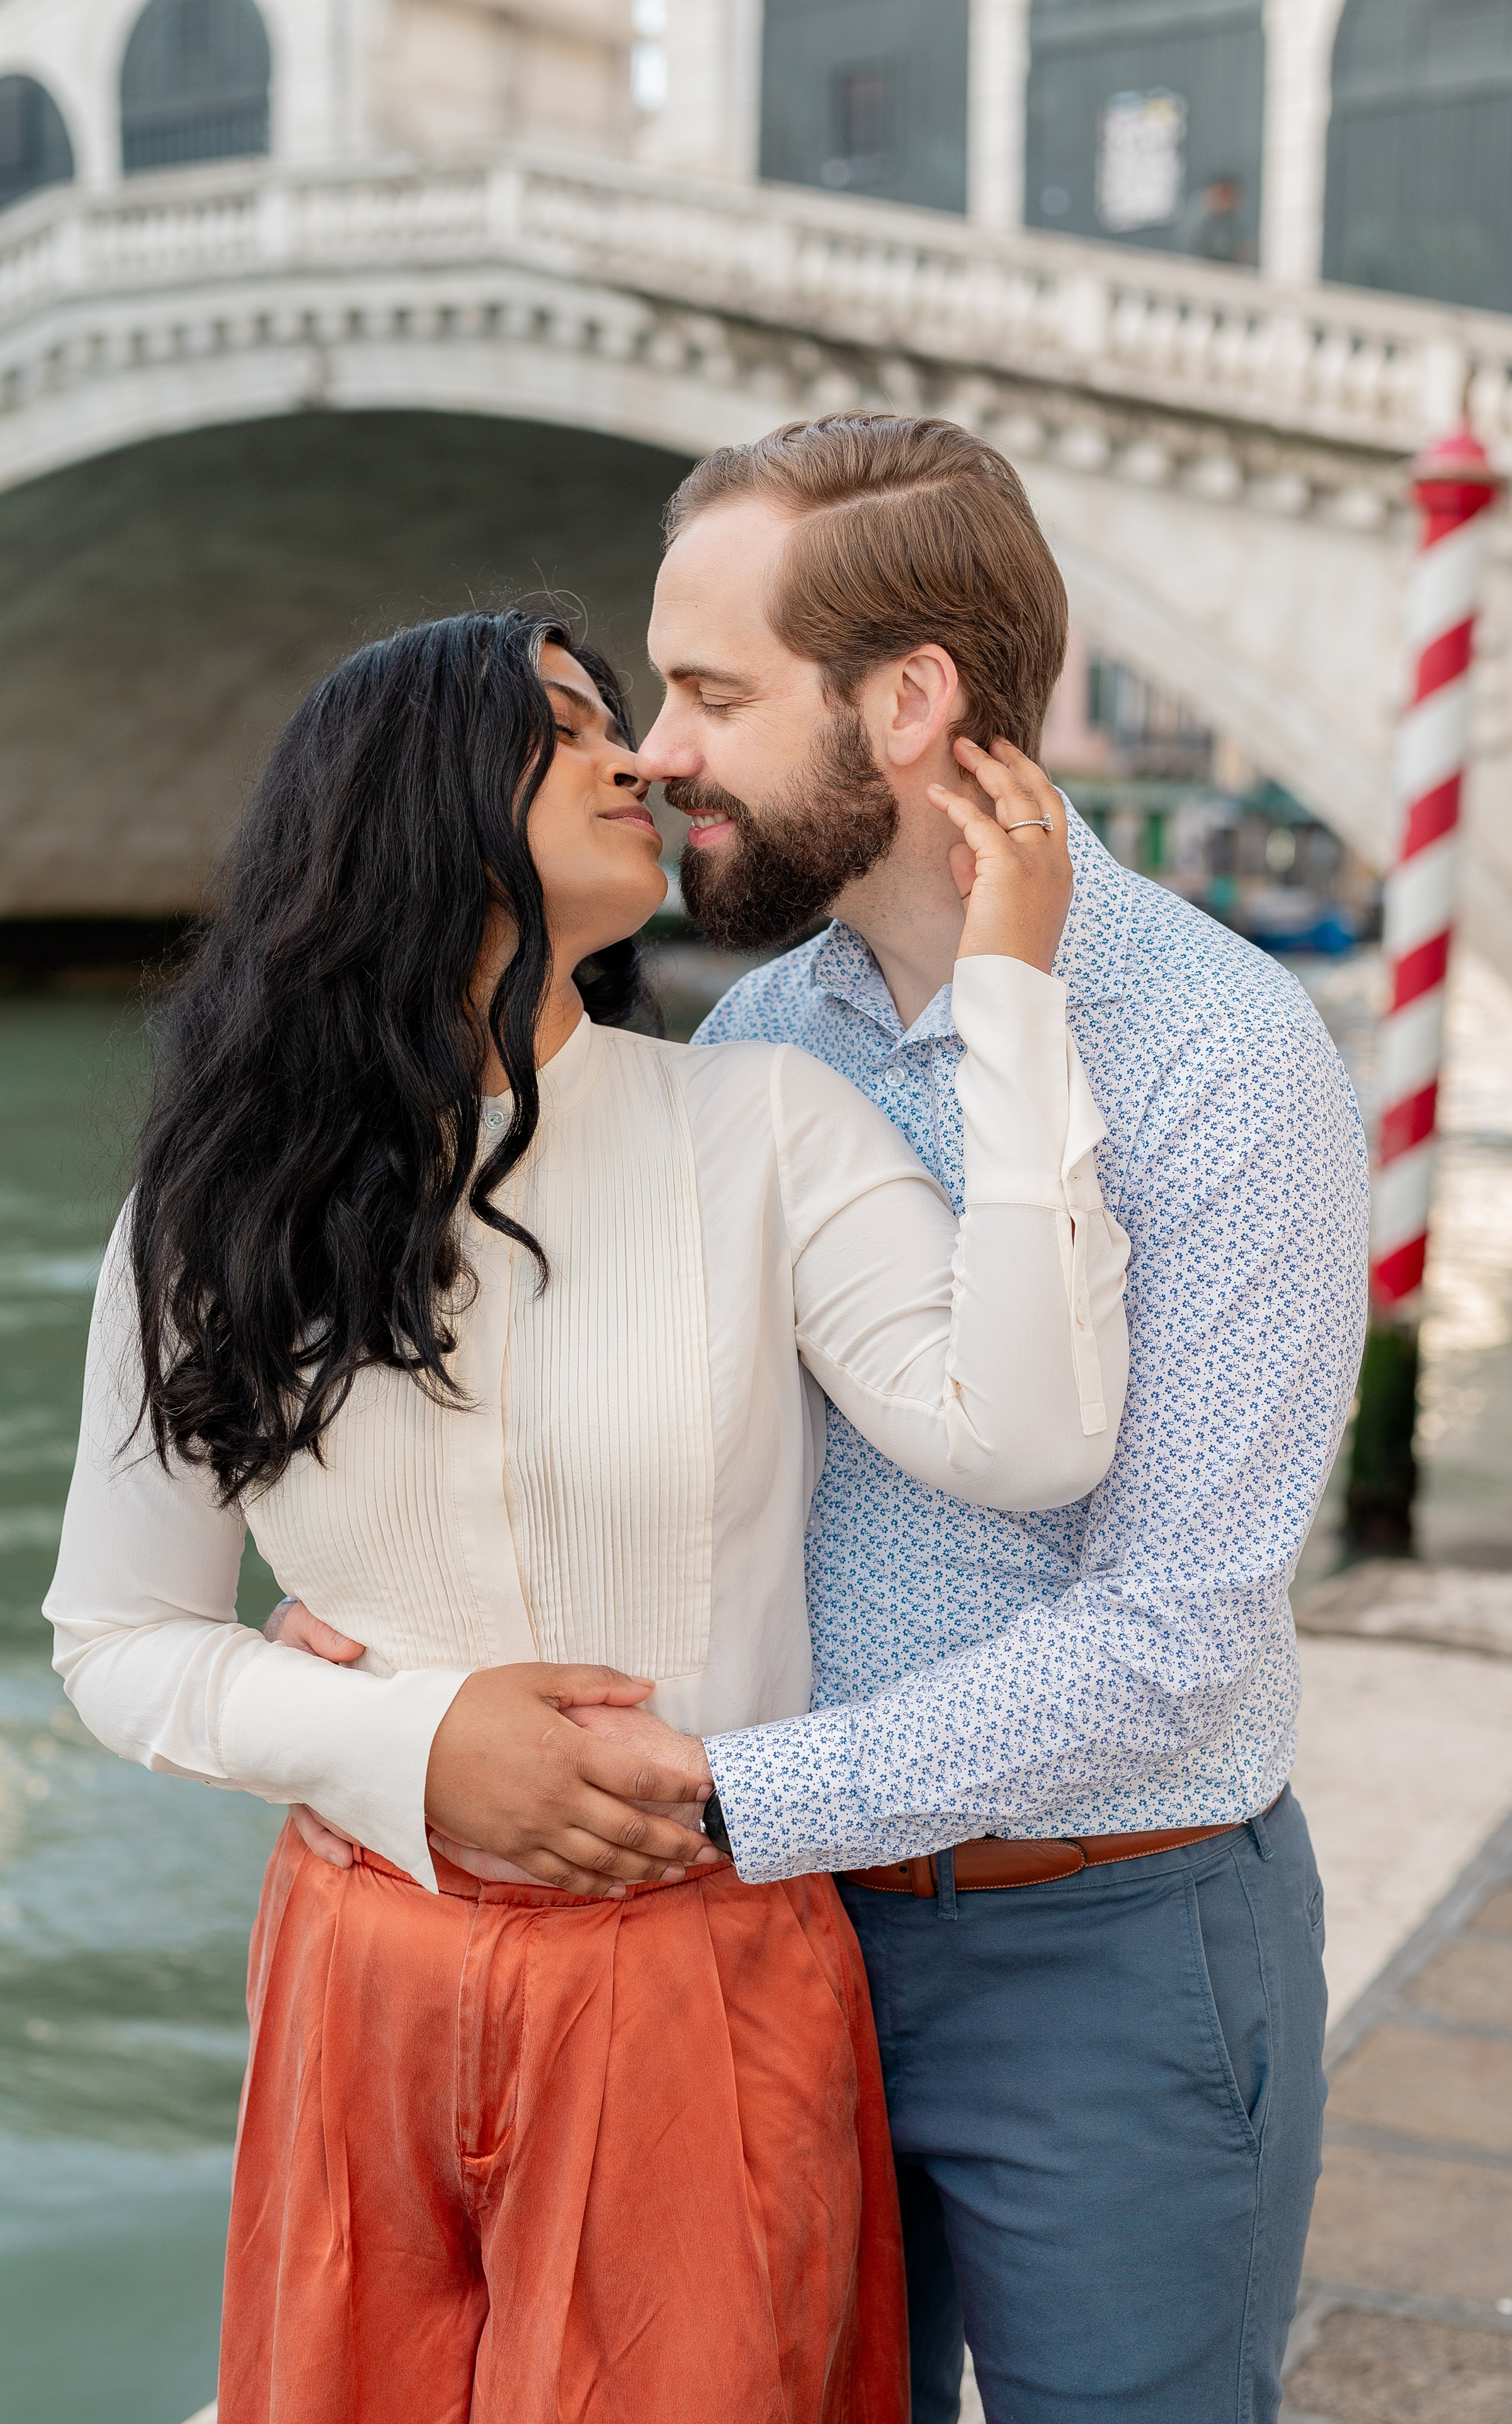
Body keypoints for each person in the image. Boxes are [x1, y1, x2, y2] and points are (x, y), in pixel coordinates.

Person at [281, 414, 1370, 2423]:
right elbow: (611, 1422)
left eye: (710, 693)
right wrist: (392, 1605)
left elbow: (1173, 1638)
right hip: (771, 1954)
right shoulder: (757, 1032)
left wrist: (722, 1799)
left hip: (1100, 1956)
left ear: (909, 702)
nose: (660, 751)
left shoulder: (1228, 1055)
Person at [44, 603, 1130, 2423]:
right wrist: (409, 1736)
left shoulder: (763, 1127)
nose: (637, 754)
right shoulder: (213, 1204)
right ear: (410, 801)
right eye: (566, 725)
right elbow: (119, 1642)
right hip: (360, 1969)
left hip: (693, 1970)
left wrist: (1013, 997)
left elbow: (1027, 1434)